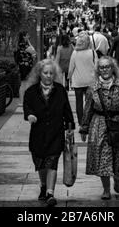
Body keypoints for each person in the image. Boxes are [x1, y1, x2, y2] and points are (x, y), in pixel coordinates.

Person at [80, 56, 119, 199]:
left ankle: (117, 177)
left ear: (113, 68)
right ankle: (106, 189)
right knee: (102, 157)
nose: (104, 70)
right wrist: (84, 127)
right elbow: (87, 108)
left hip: (117, 123)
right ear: (98, 70)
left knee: (118, 155)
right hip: (98, 125)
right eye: (101, 67)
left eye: (107, 66)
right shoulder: (92, 88)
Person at [23, 59, 75, 206]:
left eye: (51, 73)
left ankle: (50, 193)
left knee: (52, 162)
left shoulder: (60, 90)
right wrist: (29, 115)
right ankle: (43, 185)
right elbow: (27, 107)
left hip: (55, 133)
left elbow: (67, 111)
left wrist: (70, 128)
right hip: (38, 134)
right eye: (45, 73)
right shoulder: (31, 91)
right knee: (40, 163)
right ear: (39, 73)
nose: (48, 76)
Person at [68, 31, 98, 126]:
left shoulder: (75, 53)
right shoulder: (93, 53)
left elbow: (71, 68)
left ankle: (81, 122)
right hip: (90, 81)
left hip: (78, 82)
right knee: (89, 103)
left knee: (79, 103)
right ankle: (88, 120)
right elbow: (97, 67)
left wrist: (69, 78)